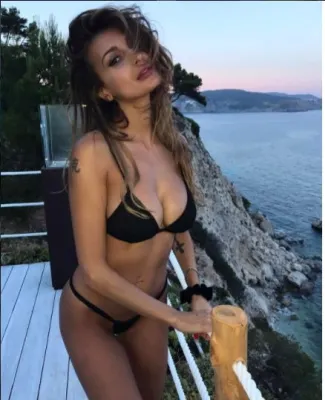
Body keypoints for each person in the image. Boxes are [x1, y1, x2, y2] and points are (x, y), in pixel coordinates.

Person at [59, 6, 213, 400]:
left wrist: (195, 289)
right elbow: (94, 270)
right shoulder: (93, 154)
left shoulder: (174, 146)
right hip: (92, 314)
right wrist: (177, 318)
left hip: (150, 310)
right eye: (116, 59)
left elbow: (179, 231)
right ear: (104, 91)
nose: (138, 57)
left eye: (138, 46)